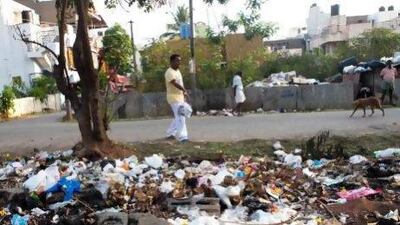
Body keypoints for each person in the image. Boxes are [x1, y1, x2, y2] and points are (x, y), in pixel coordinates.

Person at [165, 54, 189, 142]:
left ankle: (170, 133)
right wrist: (184, 89)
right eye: (177, 61)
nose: (179, 63)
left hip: (180, 97)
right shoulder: (169, 72)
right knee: (180, 116)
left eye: (180, 61)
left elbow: (180, 83)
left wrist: (184, 93)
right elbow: (174, 83)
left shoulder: (177, 71)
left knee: (178, 116)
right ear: (171, 62)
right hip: (173, 97)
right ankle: (183, 137)